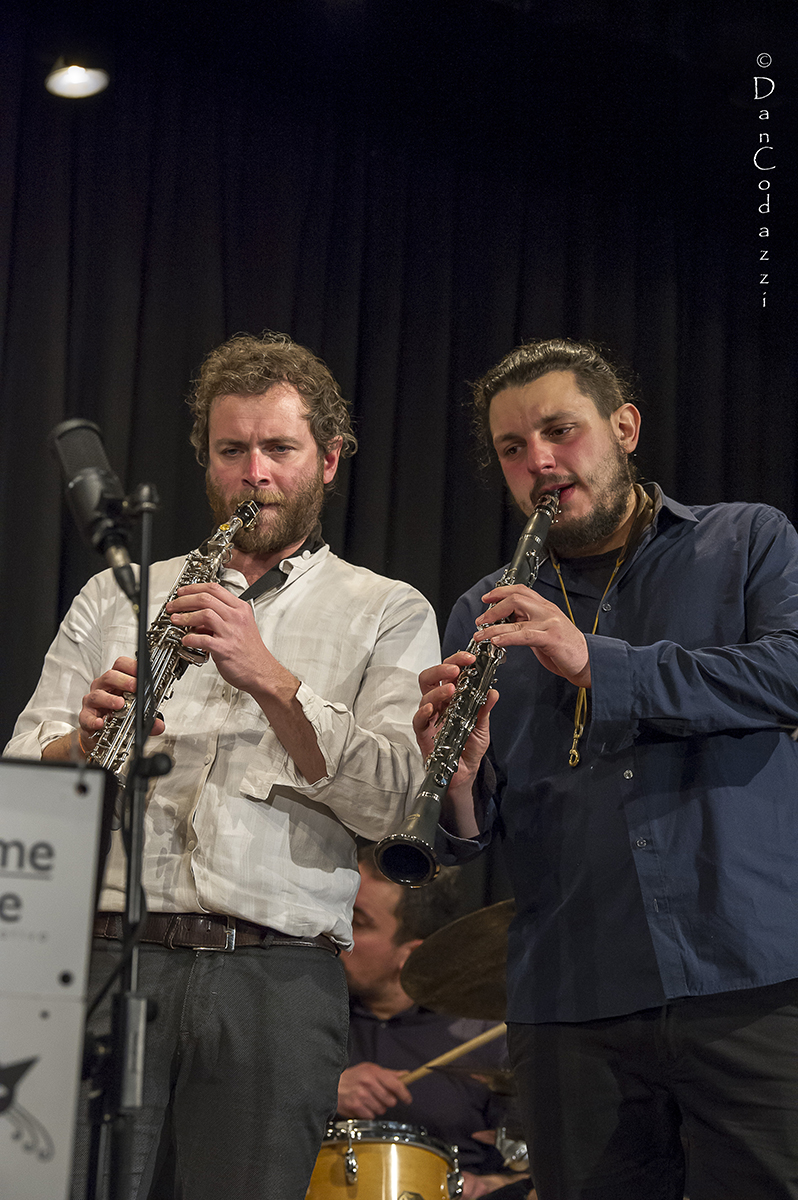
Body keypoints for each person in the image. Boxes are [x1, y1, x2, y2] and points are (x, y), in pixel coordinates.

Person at [5, 331, 441, 1200]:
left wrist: (272, 679)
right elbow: (21, 774)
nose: (255, 475)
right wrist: (78, 746)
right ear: (206, 458)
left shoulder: (387, 609)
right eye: (232, 451)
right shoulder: (120, 594)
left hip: (273, 979)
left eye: (279, 449)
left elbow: (396, 799)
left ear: (330, 458)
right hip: (107, 957)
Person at [413, 338, 798, 1200]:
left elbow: (788, 673)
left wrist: (597, 662)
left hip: (748, 978)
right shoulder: (481, 608)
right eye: (513, 448)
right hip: (569, 998)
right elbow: (474, 839)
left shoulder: (746, 540)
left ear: (623, 426)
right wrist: (463, 778)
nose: (539, 461)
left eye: (561, 430)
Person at [337, 847, 532, 1199]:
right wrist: (321, 1093)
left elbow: (533, 1169)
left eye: (357, 922)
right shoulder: (309, 1019)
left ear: (408, 955)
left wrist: (492, 1185)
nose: (335, 932)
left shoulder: (485, 1040)